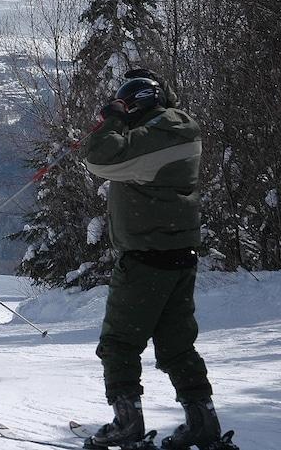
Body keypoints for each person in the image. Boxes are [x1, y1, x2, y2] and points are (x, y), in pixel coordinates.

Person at [82, 70, 238, 450]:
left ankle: (127, 423)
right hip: (180, 256)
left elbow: (99, 158)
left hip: (146, 258)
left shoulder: (152, 141)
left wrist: (113, 118)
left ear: (138, 104)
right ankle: (202, 421)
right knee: (177, 344)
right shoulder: (183, 130)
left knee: (119, 343)